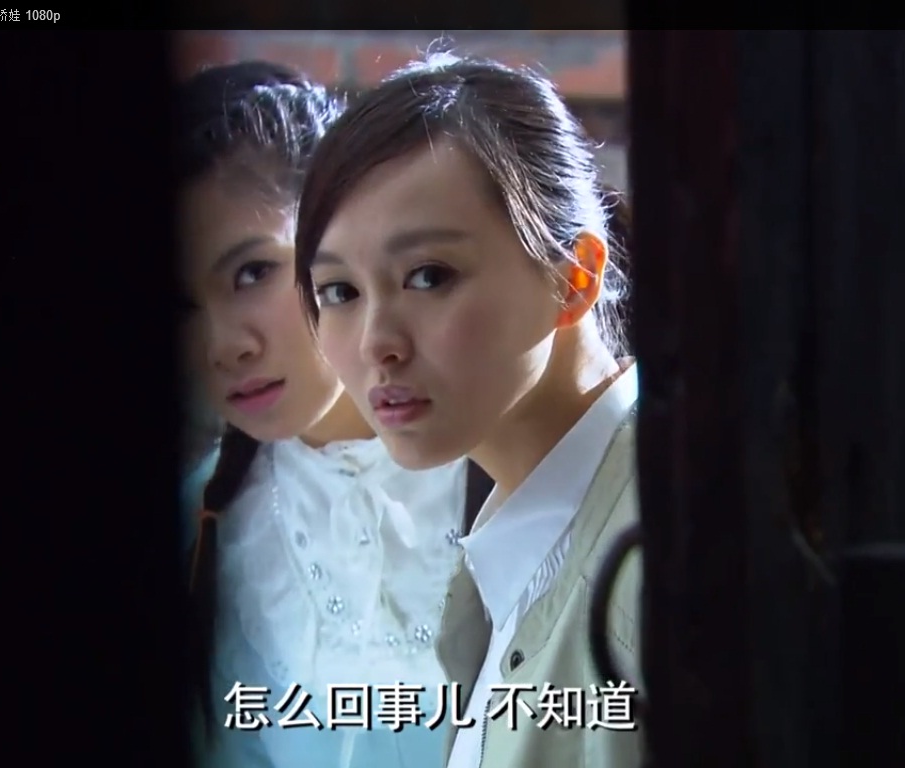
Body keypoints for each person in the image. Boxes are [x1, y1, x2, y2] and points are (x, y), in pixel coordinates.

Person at [293, 53, 643, 768]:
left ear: (575, 277)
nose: (377, 343)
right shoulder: (510, 549)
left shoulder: (659, 558)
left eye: (428, 276)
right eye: (339, 292)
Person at [178, 61, 492, 768]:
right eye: (180, 305)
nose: (224, 345)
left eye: (252, 273)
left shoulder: (522, 468)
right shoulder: (198, 529)